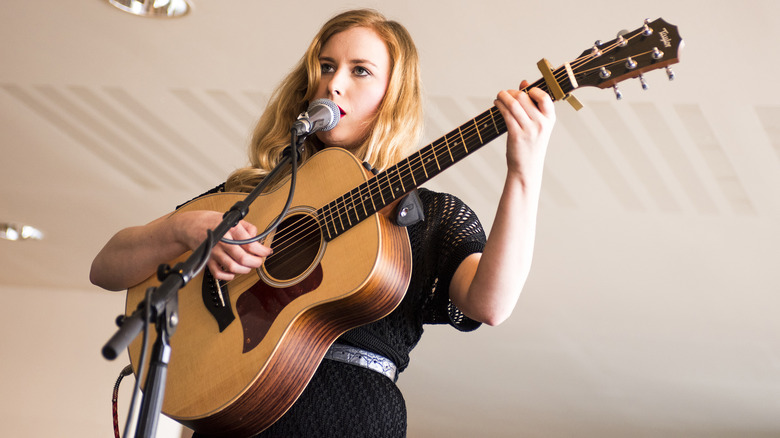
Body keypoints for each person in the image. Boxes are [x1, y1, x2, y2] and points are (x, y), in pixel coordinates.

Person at [91, 8, 555, 437]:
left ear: (393, 96)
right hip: (237, 419)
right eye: (326, 67)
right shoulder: (259, 195)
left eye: (360, 71)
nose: (334, 84)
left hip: (352, 419)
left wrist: (524, 172)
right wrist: (184, 230)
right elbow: (107, 266)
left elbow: (489, 305)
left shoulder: (430, 215)